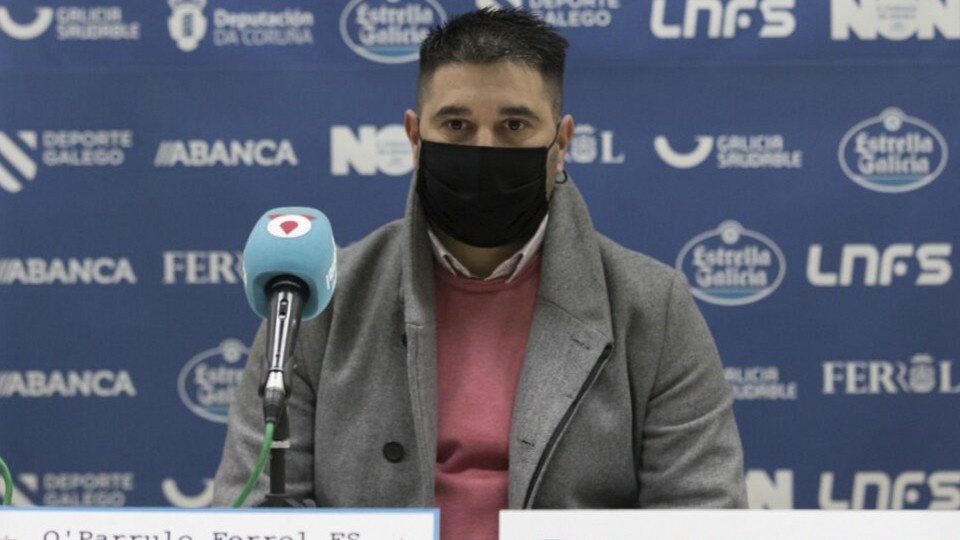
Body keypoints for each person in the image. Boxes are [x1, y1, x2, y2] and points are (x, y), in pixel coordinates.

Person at [214, 7, 747, 538]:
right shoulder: (318, 299)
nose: (484, 148)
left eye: (514, 125)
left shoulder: (653, 307)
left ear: (560, 144)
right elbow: (254, 510)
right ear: (415, 137)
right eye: (457, 125)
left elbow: (701, 518)